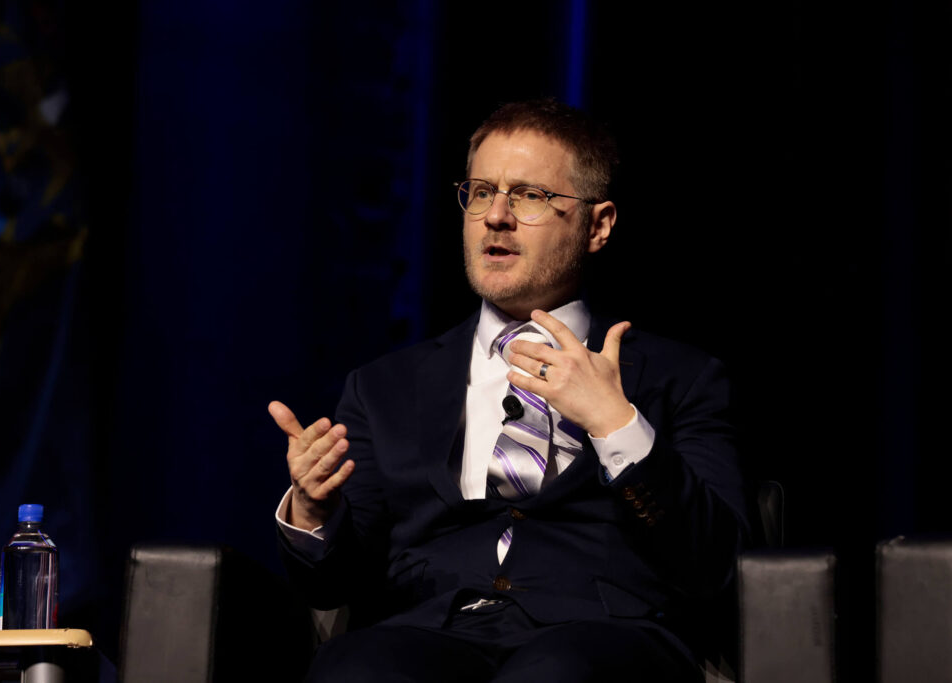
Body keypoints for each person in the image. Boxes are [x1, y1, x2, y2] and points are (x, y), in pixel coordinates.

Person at [270, 98, 749, 682]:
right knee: (355, 669)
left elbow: (713, 566)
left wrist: (616, 423)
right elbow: (331, 585)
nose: (495, 216)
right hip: (426, 634)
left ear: (598, 226)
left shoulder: (680, 378)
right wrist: (313, 511)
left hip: (599, 639)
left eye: (530, 196)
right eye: (480, 192)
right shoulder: (383, 387)